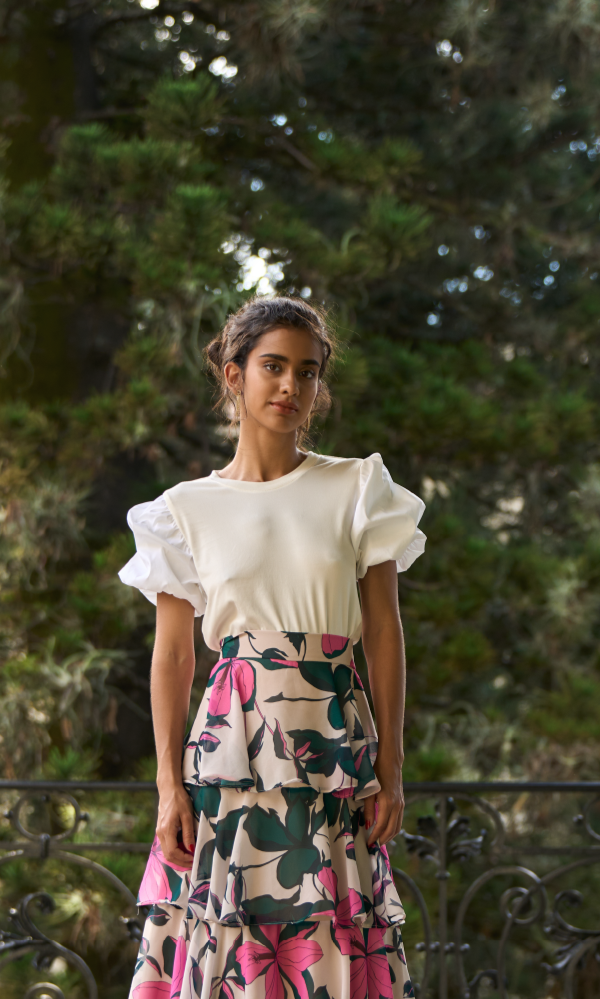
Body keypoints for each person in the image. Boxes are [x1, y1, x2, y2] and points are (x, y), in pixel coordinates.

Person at [118, 296, 426, 999]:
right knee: (234, 949)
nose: (292, 386)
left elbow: (383, 629)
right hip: (232, 757)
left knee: (326, 939)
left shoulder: (356, 488)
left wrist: (393, 763)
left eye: (308, 372)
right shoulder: (183, 509)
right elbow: (172, 659)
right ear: (234, 375)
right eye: (273, 367)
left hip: (334, 754)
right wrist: (169, 787)